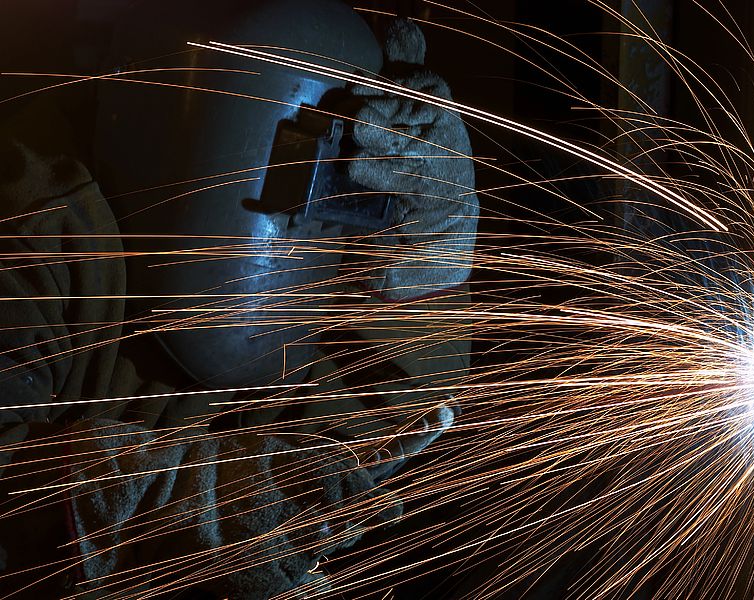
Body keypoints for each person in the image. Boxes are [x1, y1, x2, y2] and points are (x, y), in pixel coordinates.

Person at [0, 2, 478, 597]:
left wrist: (425, 277)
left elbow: (377, 442)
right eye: (318, 173)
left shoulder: (301, 284)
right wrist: (214, 508)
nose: (326, 207)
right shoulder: (29, 237)